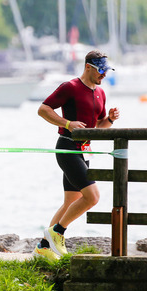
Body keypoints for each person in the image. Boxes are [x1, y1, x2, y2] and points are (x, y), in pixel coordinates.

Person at [35, 50, 120, 260]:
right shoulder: (70, 87)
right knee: (92, 197)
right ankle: (58, 233)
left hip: (84, 152)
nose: (104, 75)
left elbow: (99, 127)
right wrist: (67, 123)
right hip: (67, 148)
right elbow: (43, 109)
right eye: (101, 70)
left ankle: (43, 248)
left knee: (70, 202)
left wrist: (109, 119)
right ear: (88, 67)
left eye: (106, 70)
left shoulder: (100, 93)